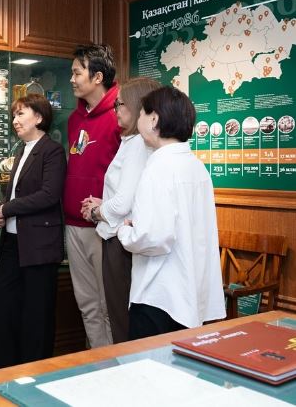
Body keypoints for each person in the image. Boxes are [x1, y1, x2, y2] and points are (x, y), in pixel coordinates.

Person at [117, 87, 225, 340]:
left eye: (142, 113)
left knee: (148, 363)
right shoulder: (196, 166)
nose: (139, 119)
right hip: (190, 293)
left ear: (154, 119)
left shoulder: (158, 168)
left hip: (159, 294)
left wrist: (125, 231)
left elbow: (152, 237)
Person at [0, 93, 66, 370]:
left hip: (39, 245)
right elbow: (15, 194)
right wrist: (1, 210)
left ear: (39, 117)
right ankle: (2, 367)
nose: (14, 120)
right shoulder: (22, 151)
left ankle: (34, 371)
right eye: (14, 115)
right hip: (12, 242)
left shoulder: (52, 151)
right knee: (2, 304)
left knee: (37, 313)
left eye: (21, 114)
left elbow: (48, 195)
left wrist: (7, 209)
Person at [80, 77, 160, 343]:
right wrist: (104, 204)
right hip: (119, 237)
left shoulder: (137, 144)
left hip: (119, 241)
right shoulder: (132, 142)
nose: (116, 110)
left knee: (120, 317)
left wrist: (97, 212)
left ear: (137, 105)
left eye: (120, 104)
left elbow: (124, 202)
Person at [63, 44, 121, 348]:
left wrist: (107, 209)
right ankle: (97, 362)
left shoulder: (119, 116)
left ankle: (114, 364)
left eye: (77, 73)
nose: (71, 79)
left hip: (104, 226)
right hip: (73, 223)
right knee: (86, 303)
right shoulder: (74, 119)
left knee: (109, 303)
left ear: (97, 77)